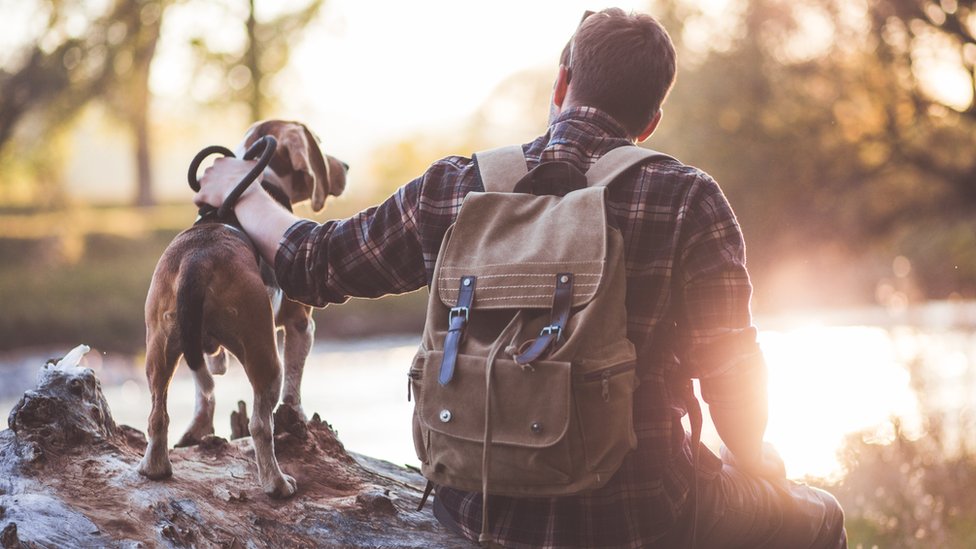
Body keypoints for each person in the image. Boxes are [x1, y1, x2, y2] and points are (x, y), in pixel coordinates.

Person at [195, 8, 847, 548]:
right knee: (821, 517)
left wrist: (241, 190)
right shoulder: (686, 198)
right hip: (645, 516)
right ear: (650, 123)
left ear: (561, 85)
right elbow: (731, 375)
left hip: (476, 512)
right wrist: (758, 463)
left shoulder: (455, 187)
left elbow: (317, 262)